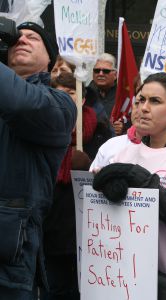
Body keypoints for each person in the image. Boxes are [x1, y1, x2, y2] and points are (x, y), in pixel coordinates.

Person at [92, 72, 166, 300]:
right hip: (116, 271)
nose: (143, 108)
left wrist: (142, 180)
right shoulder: (121, 149)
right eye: (140, 100)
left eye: (155, 101)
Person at [0, 21, 76, 298]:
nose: (22, 40)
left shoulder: (59, 103)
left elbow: (19, 102)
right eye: (15, 37)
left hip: (10, 261)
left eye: (33, 38)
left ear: (50, 59)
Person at [42, 72, 111, 300]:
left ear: (82, 99)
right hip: (51, 228)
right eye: (60, 92)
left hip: (90, 230)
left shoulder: (101, 132)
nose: (66, 98)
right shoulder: (40, 130)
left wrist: (89, 166)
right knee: (55, 289)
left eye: (72, 93)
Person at [85, 53, 127, 136]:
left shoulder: (124, 96)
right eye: (97, 70)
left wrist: (123, 128)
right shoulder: (85, 94)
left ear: (115, 75)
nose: (100, 74)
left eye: (106, 71)